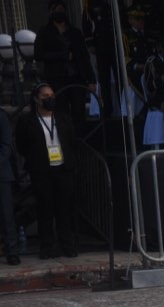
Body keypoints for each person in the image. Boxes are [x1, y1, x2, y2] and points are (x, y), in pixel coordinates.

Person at [15, 83, 79, 259]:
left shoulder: (63, 118)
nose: (49, 98)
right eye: (45, 96)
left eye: (51, 95)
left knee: (64, 208)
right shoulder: (27, 120)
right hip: (42, 170)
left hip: (62, 168)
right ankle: (47, 246)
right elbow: (22, 144)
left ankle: (68, 244)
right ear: (37, 99)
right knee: (45, 208)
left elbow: (72, 140)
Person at [34, 0, 97, 133]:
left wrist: (91, 79)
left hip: (76, 77)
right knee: (61, 112)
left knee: (78, 112)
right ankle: (65, 141)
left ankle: (80, 142)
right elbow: (38, 54)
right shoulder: (45, 32)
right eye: (56, 10)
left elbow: (84, 57)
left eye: (62, 10)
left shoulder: (75, 32)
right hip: (57, 79)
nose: (59, 13)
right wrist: (60, 55)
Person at [0, 108, 20, 266]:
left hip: (2, 174)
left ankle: (12, 251)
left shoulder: (1, 115)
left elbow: (6, 144)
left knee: (7, 215)